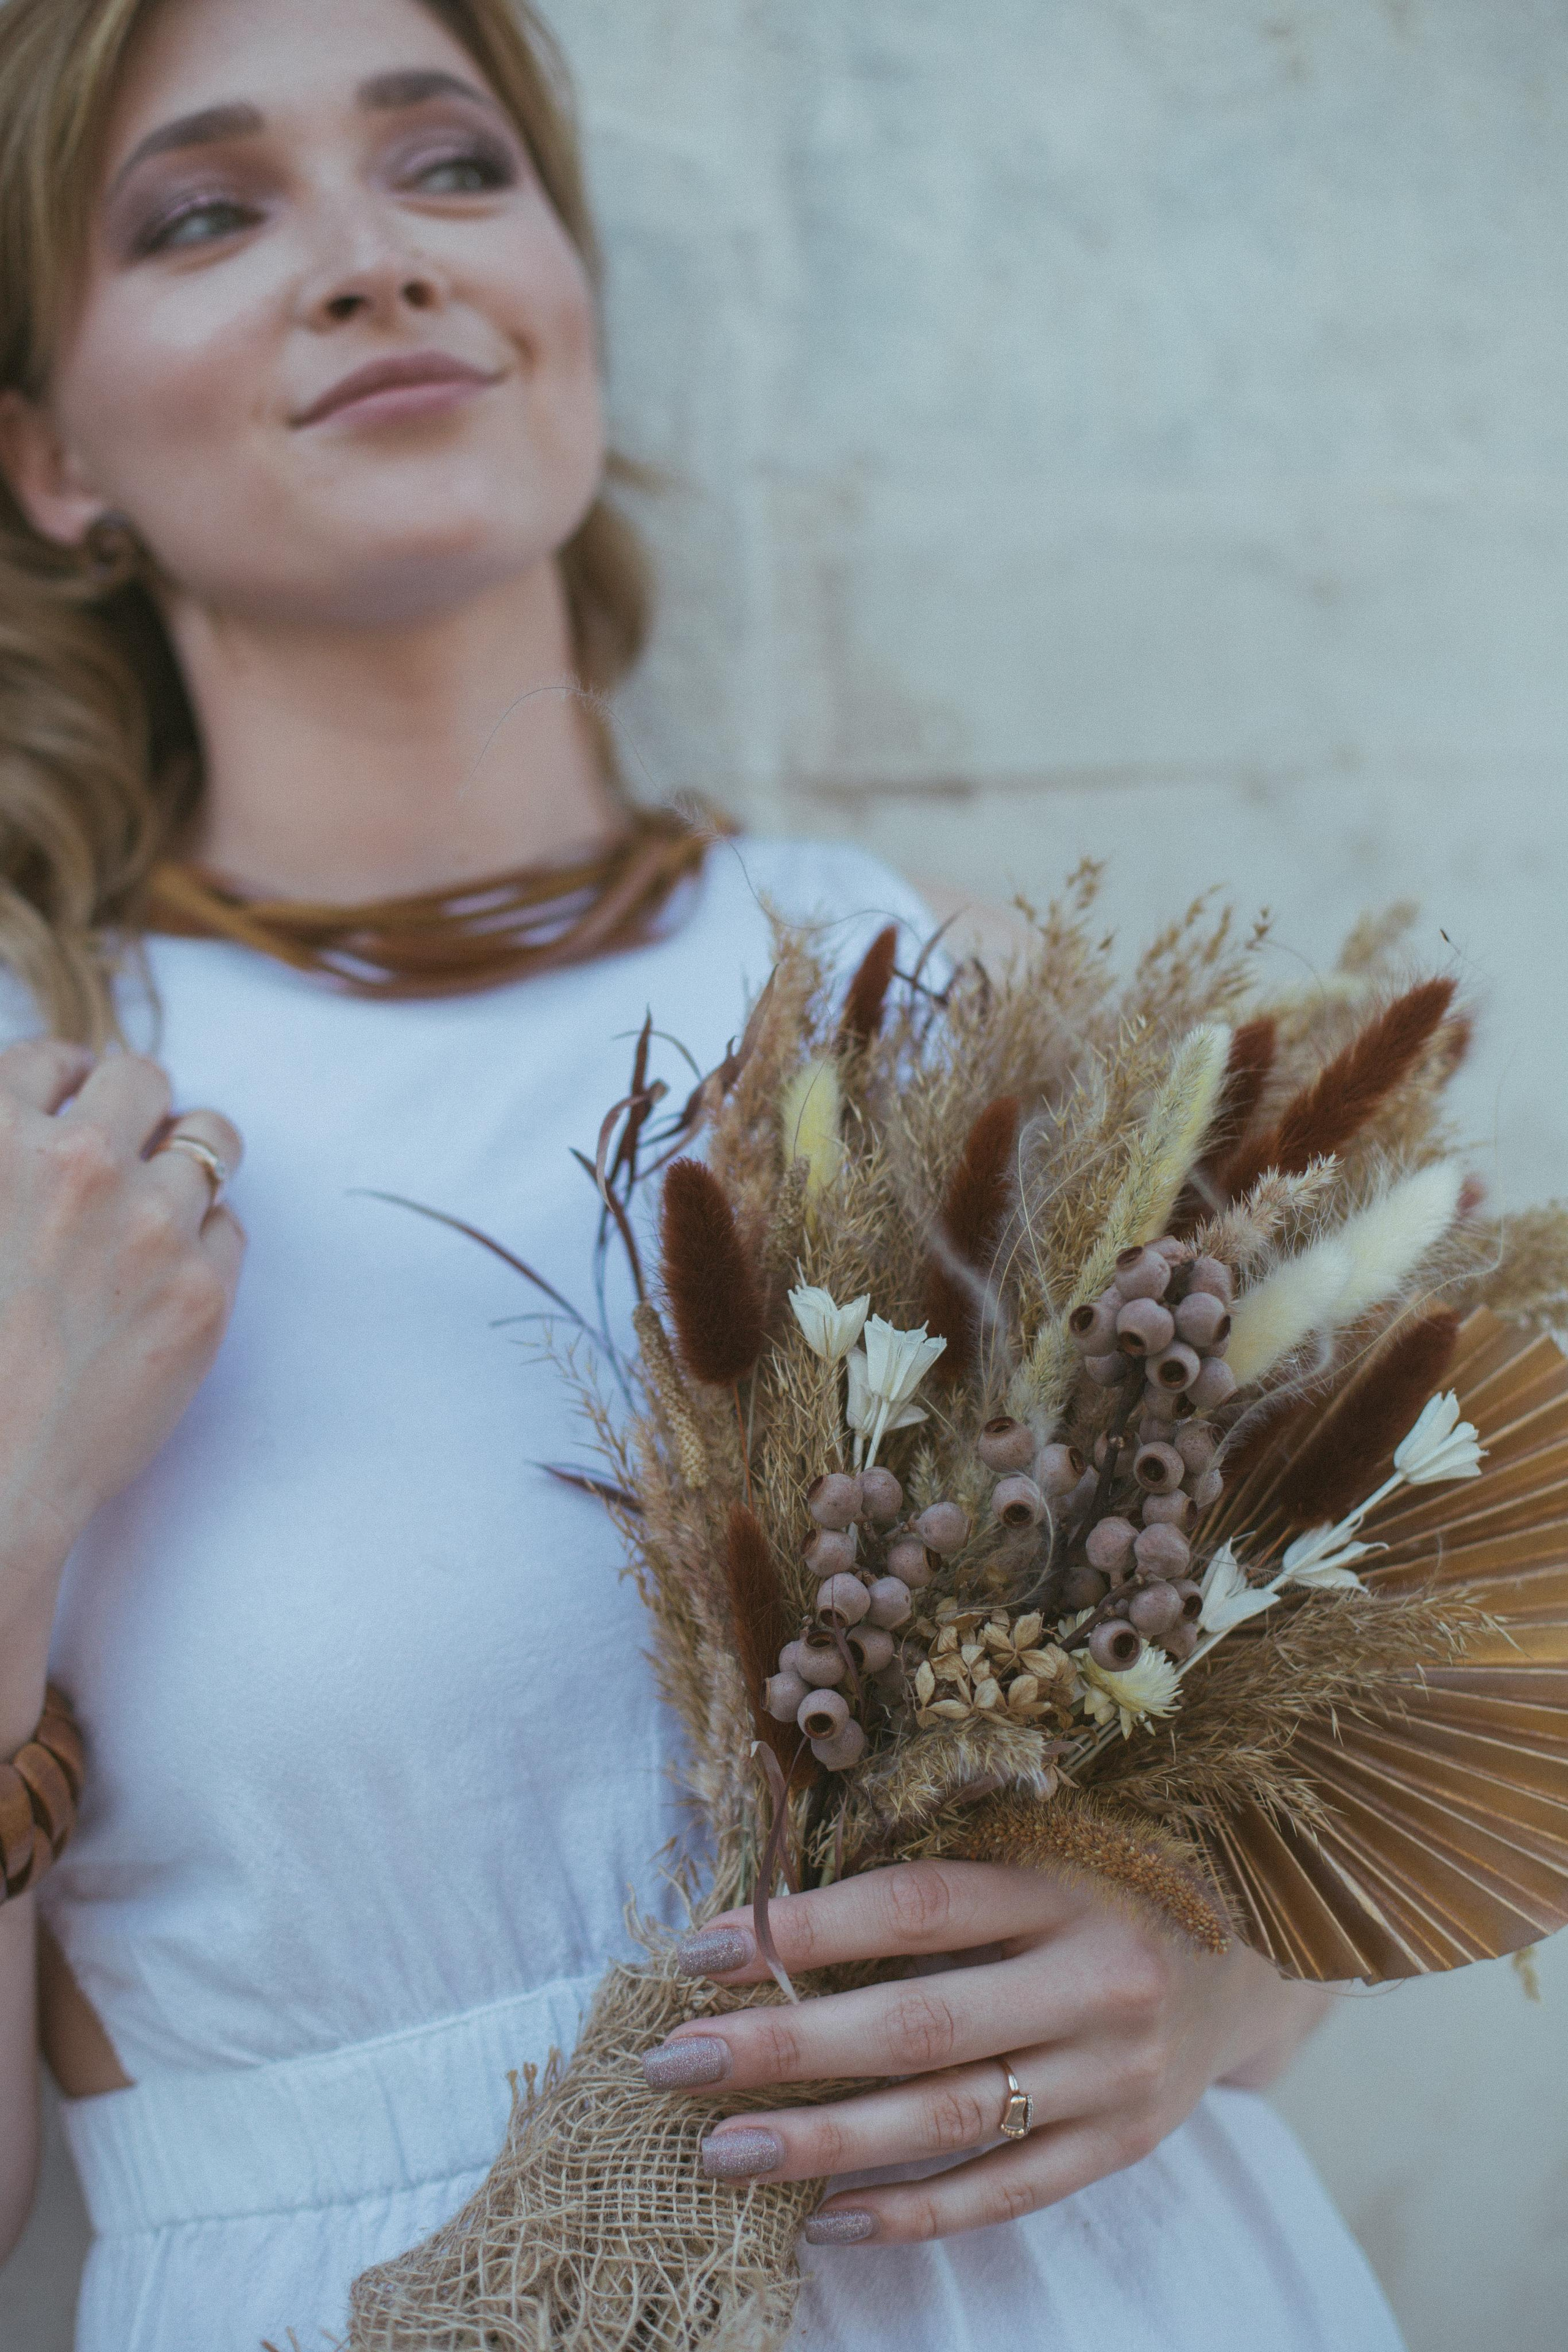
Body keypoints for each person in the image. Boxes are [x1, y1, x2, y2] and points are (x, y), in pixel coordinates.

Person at [0, 2, 1407, 2346]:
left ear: (568, 294)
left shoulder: (945, 998)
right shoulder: (49, 1142)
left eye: (451, 168)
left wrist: (1209, 1976)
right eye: (210, 212)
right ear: (49, 457)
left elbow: (1311, 1813)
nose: (371, 261)